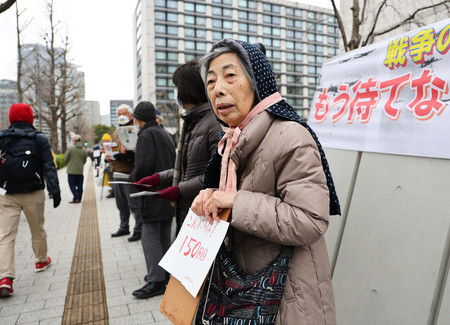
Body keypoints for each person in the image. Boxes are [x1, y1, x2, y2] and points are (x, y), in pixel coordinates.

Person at [191, 40, 341, 324]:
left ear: (257, 81)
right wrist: (210, 197)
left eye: (230, 75)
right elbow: (234, 201)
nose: (218, 89)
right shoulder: (231, 143)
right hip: (246, 295)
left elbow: (311, 220)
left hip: (289, 300)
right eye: (210, 82)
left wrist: (234, 203)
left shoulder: (290, 137)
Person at [136, 59, 222, 234]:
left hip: (204, 214)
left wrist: (179, 190)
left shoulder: (213, 122)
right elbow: (186, 168)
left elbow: (218, 173)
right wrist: (158, 178)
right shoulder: (193, 121)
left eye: (177, 87)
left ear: (189, 88)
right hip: (190, 210)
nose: (176, 92)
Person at [0, 103, 61, 297]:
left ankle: (5, 277)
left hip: (7, 193)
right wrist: (55, 190)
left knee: (6, 236)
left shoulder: (2, 138)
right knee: (37, 229)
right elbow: (48, 166)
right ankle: (41, 260)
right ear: (30, 118)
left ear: (11, 118)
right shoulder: (39, 139)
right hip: (33, 193)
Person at [129, 101, 175, 299]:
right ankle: (166, 276)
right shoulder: (164, 133)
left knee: (150, 238)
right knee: (164, 235)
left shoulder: (145, 135)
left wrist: (134, 178)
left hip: (151, 193)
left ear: (138, 119)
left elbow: (144, 167)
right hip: (168, 192)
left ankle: (155, 280)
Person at [107, 104, 143, 242]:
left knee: (133, 204)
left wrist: (124, 153)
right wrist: (109, 155)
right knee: (121, 204)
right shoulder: (117, 131)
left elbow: (135, 153)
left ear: (131, 115)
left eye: (124, 113)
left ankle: (138, 229)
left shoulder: (134, 129)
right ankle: (124, 226)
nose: (121, 116)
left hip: (129, 173)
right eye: (119, 114)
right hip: (116, 172)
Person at [64, 134, 87, 203]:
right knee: (80, 185)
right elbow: (84, 160)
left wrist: (68, 163)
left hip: (71, 170)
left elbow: (65, 159)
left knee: (72, 185)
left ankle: (76, 196)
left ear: (74, 141)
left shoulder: (71, 149)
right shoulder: (83, 150)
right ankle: (79, 198)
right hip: (80, 170)